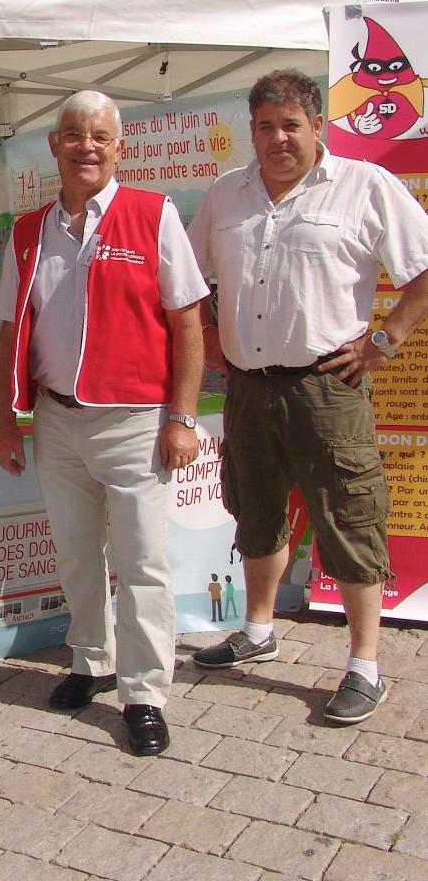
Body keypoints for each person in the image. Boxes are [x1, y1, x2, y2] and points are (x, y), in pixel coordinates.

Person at [188, 68, 428, 725]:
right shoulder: (225, 194)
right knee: (255, 510)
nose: (276, 138)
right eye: (264, 126)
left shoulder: (362, 186)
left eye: (289, 124)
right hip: (245, 388)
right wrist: (208, 327)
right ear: (251, 131)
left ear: (316, 126)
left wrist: (384, 339)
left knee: (349, 518)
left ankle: (363, 665)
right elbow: (188, 275)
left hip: (328, 386)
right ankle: (258, 630)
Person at [0, 90, 207, 757]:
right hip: (56, 420)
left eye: (98, 136)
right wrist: (5, 417)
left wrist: (181, 418)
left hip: (135, 423)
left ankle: (143, 694)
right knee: (76, 553)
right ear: (53, 146)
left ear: (119, 149)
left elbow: (188, 324)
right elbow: (8, 328)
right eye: (71, 134)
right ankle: (92, 661)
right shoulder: (27, 230)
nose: (85, 145)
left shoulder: (153, 215)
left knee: (140, 562)